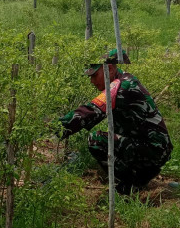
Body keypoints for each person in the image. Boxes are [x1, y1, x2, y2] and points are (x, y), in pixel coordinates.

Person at [57, 49, 172, 194]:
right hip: (152, 146)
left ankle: (131, 185)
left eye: (94, 76)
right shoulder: (124, 80)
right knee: (112, 135)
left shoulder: (122, 87)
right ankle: (141, 176)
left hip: (154, 149)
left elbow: (91, 111)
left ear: (110, 69)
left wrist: (56, 128)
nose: (92, 81)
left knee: (96, 140)